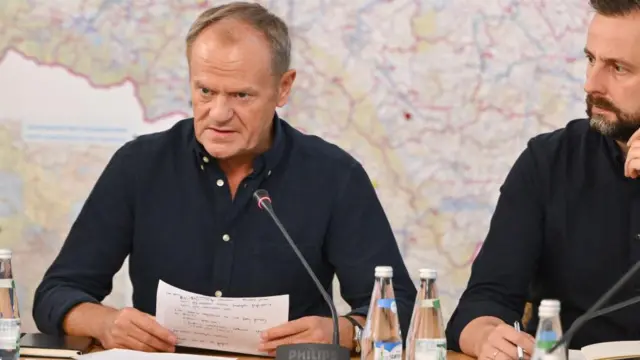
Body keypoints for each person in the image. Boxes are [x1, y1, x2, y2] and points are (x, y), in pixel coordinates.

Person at [32, 1, 416, 355]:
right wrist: (106, 323)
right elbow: (55, 294)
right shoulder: (139, 165)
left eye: (241, 96)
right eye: (205, 91)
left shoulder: (334, 176)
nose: (218, 114)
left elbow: (401, 307)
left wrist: (342, 331)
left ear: (283, 88)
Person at [445, 0, 640, 359]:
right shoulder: (548, 161)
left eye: (618, 68)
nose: (591, 83)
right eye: (591, 59)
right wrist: (485, 335)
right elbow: (483, 304)